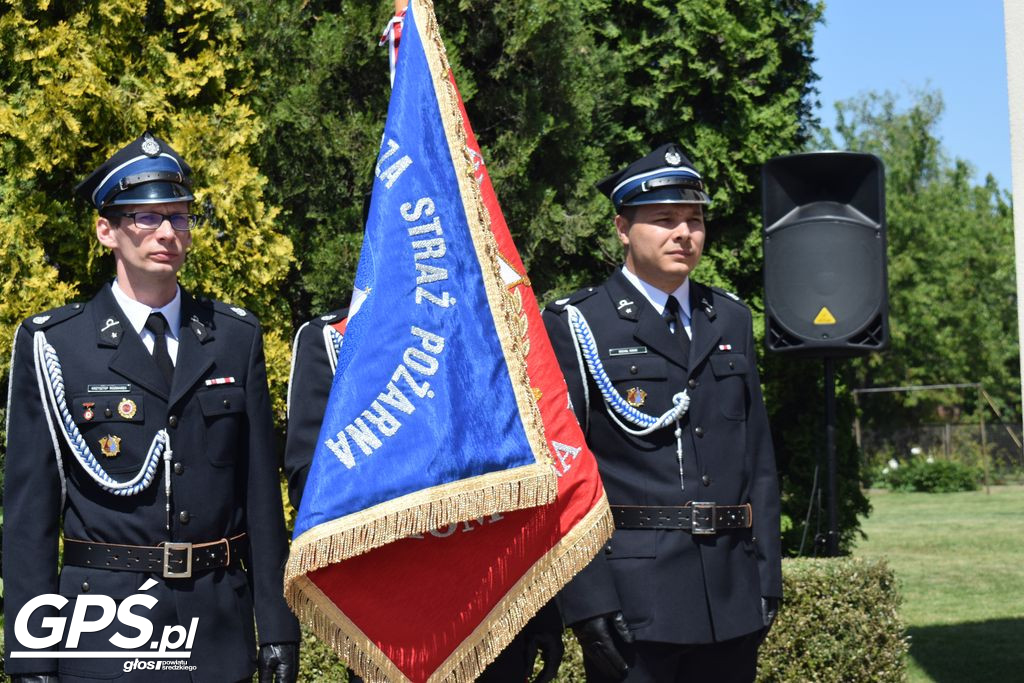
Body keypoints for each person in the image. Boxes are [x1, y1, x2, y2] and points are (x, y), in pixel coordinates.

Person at [3, 132, 300, 682]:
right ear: (106, 232)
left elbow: (261, 498)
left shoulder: (233, 337)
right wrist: (29, 651)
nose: (167, 233)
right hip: (104, 634)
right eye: (145, 217)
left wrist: (278, 630)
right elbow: (30, 516)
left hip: (216, 634)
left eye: (180, 217)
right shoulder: (57, 345)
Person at [542, 143, 782, 682]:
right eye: (664, 219)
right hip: (636, 598)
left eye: (694, 220)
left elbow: (758, 461)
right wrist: (588, 603)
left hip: (730, 593)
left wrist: (767, 577)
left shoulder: (730, 318)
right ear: (623, 228)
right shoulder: (578, 324)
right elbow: (561, 472)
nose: (684, 234)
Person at [284, 309, 564, 682]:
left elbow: (529, 479)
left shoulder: (488, 322)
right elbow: (309, 486)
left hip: (493, 615)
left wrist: (541, 610)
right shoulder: (333, 338)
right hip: (390, 625)